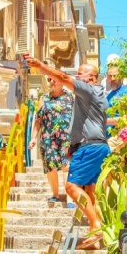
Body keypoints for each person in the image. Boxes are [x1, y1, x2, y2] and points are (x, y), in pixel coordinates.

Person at [22, 54, 109, 250]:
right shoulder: (100, 96)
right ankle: (93, 236)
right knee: (89, 191)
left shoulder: (88, 90)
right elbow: (100, 122)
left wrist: (39, 65)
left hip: (89, 147)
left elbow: (63, 78)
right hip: (99, 145)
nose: (77, 76)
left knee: (71, 187)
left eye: (81, 74)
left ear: (92, 78)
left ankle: (97, 225)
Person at [34, 76, 74, 205]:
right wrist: (33, 138)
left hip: (67, 137)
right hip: (48, 138)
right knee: (51, 166)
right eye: (49, 80)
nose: (51, 82)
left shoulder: (71, 97)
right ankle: (55, 194)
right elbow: (38, 120)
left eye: (54, 79)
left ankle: (70, 197)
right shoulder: (44, 98)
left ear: (62, 81)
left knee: (66, 166)